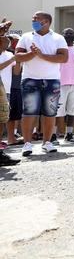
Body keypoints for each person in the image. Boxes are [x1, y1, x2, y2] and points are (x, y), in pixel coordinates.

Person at [14, 12, 68, 156]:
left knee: (50, 112)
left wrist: (41, 55)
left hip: (52, 80)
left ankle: (47, 142)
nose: (33, 21)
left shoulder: (58, 38)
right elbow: (17, 56)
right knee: (29, 112)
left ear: (46, 22)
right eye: (33, 19)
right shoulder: (26, 37)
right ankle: (27, 143)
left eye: (36, 19)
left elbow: (63, 58)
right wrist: (32, 54)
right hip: (30, 79)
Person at [0, 20, 19, 166]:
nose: (8, 40)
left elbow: (16, 71)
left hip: (4, 88)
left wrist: (18, 61)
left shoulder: (8, 52)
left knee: (2, 119)